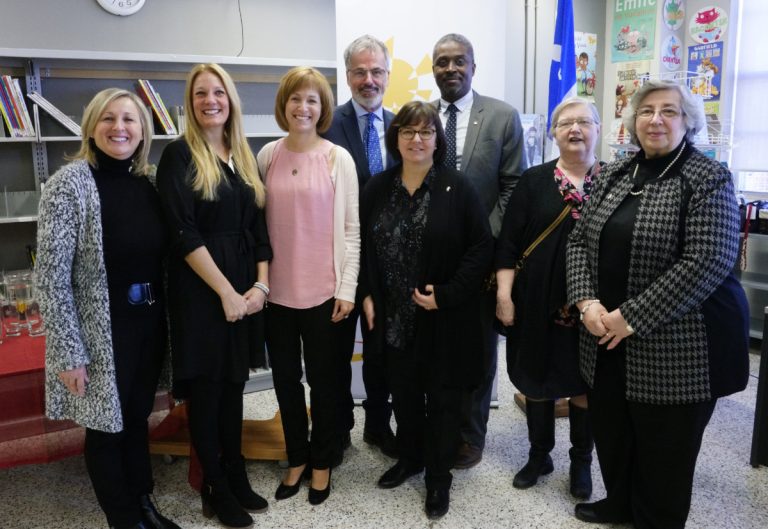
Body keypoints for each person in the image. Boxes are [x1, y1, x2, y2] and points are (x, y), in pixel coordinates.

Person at [567, 80, 749, 528]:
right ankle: (620, 503)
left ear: (688, 121)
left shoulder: (707, 178)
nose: (656, 120)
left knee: (665, 453)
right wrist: (586, 301)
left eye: (669, 111)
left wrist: (629, 317)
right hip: (604, 340)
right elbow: (577, 240)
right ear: (632, 121)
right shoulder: (614, 173)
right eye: (647, 111)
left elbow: (707, 262)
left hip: (678, 350)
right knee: (614, 434)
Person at [37, 88, 180, 529]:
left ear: (144, 130)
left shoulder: (151, 182)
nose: (119, 127)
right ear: (91, 128)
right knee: (105, 427)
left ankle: (143, 504)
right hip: (102, 331)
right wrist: (68, 353)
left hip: (149, 324)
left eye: (130, 120)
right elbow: (51, 276)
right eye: (108, 119)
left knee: (137, 419)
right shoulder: (70, 183)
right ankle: (123, 519)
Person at [360, 101, 493, 519]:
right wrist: (365, 291)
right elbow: (361, 247)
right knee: (403, 394)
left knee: (442, 400)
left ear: (438, 139)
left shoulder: (458, 187)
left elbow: (481, 248)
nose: (417, 140)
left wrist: (448, 294)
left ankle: (438, 477)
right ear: (395, 138)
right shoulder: (377, 188)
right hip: (393, 318)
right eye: (407, 132)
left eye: (426, 132)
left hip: (443, 319)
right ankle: (411, 457)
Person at [157, 63, 271, 529]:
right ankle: (215, 487)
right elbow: (181, 232)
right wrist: (226, 292)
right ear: (190, 102)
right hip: (203, 292)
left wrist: (260, 285)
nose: (211, 100)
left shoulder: (242, 152)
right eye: (201, 93)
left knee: (234, 387)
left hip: (245, 290)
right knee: (206, 393)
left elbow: (257, 226)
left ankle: (237, 473)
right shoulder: (178, 155)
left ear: (231, 100)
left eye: (218, 92)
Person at [257, 66, 360, 506]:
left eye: (312, 100)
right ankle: (295, 459)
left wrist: (348, 288)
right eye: (296, 99)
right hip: (276, 294)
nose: (303, 107)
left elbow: (353, 231)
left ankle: (321, 463)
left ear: (322, 109)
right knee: (285, 381)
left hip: (325, 293)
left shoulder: (338, 158)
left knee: (326, 382)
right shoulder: (266, 156)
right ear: (284, 105)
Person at [496, 97, 601, 500]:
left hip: (592, 306)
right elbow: (508, 244)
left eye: (583, 122)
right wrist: (504, 295)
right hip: (534, 300)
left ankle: (581, 462)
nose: (575, 130)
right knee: (535, 378)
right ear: (553, 133)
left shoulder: (615, 180)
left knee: (584, 383)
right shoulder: (533, 180)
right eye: (565, 123)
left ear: (597, 129)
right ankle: (540, 455)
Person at [431, 33, 528, 469]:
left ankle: (471, 436)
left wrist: (480, 241)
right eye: (441, 62)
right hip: (431, 258)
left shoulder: (502, 117)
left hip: (481, 259)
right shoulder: (421, 118)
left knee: (477, 350)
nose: (450, 69)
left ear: (473, 66)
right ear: (432, 69)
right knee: (435, 348)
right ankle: (437, 427)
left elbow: (513, 186)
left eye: (459, 61)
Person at [322, 34, 398, 460]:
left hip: (387, 263)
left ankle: (376, 425)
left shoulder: (403, 126)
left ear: (387, 74)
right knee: (333, 351)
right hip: (337, 258)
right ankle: (338, 429)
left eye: (376, 71)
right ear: (347, 75)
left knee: (380, 352)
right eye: (359, 72)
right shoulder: (326, 124)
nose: (368, 80)